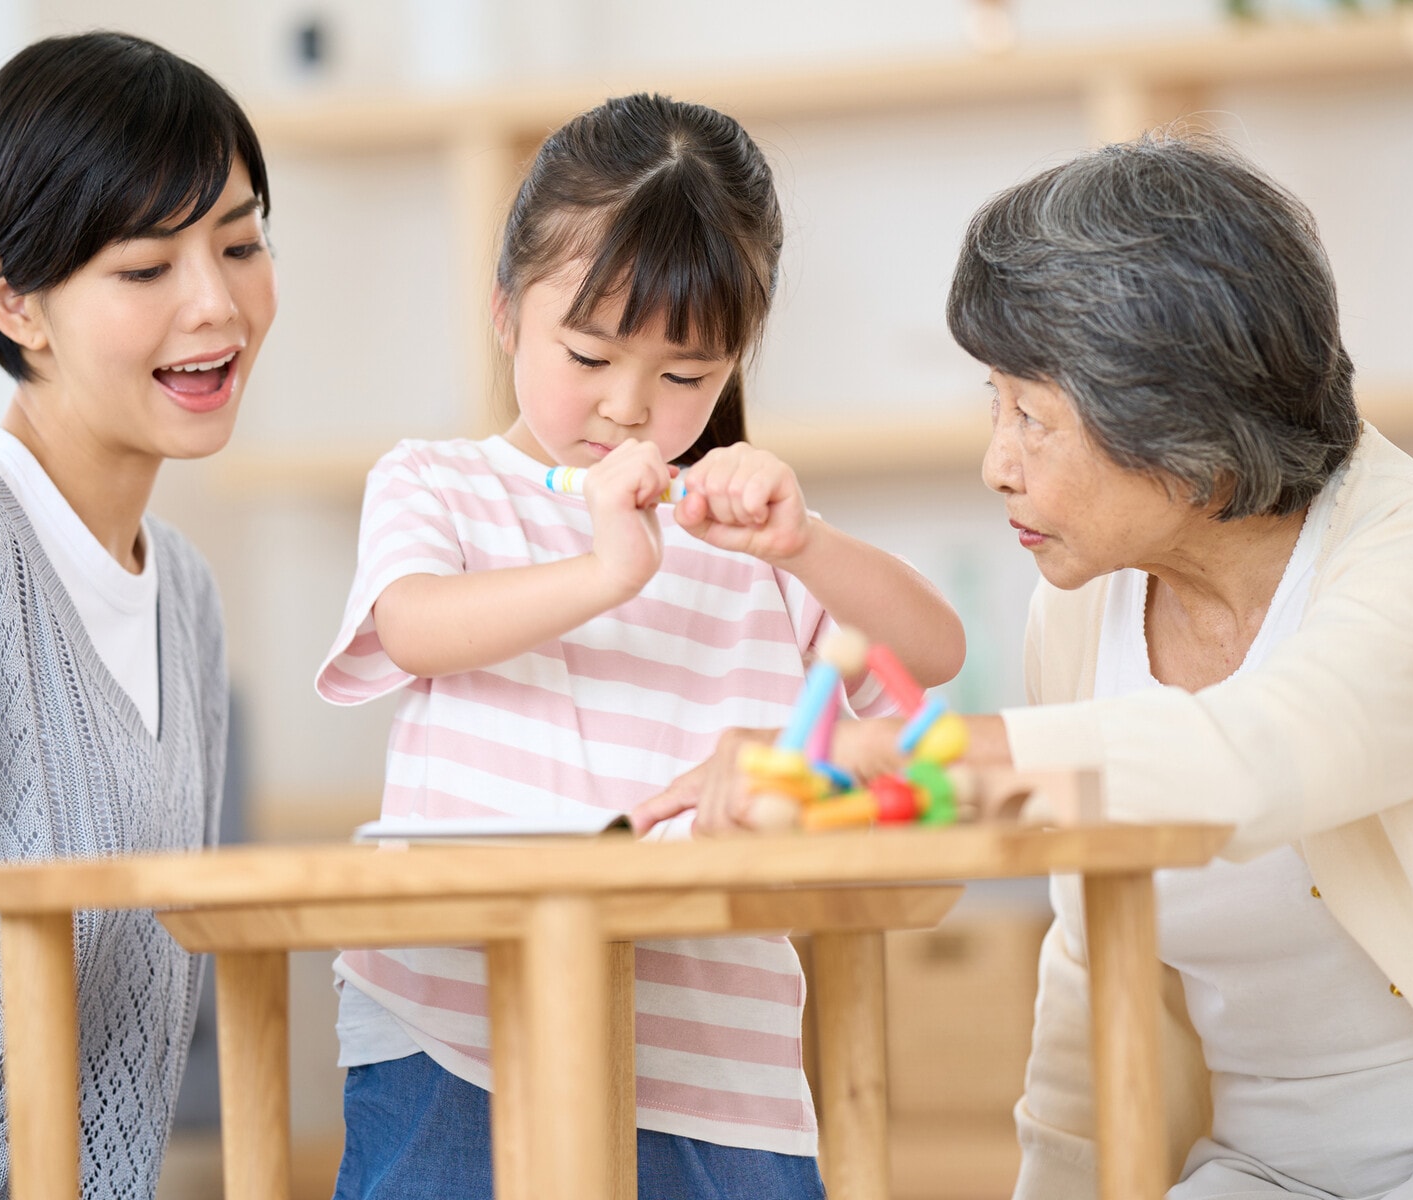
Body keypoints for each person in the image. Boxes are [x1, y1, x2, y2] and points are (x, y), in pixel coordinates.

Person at [634, 132, 1413, 1199]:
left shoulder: (1397, 559)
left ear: (1181, 418)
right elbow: (1093, 975)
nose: (996, 463)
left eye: (1033, 418)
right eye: (993, 404)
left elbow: (1256, 755)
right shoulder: (1085, 604)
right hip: (1257, 1175)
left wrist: (900, 757)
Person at [314, 92, 965, 1199]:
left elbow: (933, 649)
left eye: (684, 376)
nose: (627, 407)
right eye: (588, 355)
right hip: (456, 1029)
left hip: (715, 1058)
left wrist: (805, 544)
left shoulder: (745, 532)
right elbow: (413, 625)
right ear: (506, 312)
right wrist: (605, 572)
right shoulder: (441, 482)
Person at [0, 32, 277, 1198]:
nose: (217, 304)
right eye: (147, 268)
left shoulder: (185, 597)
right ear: (15, 299)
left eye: (240, 243)